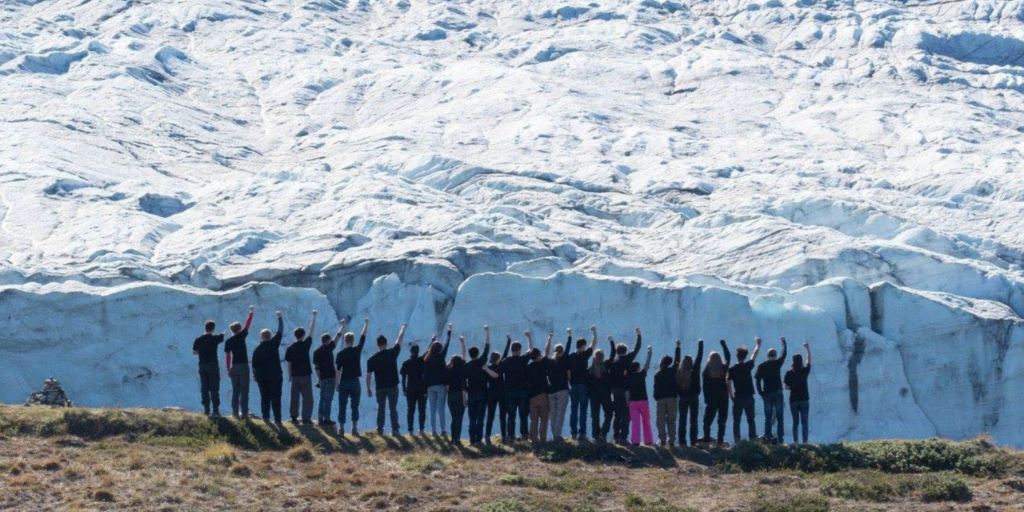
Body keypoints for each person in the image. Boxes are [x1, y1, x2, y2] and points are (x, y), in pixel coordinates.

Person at [366, 323, 406, 436]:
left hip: (380, 387)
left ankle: (380, 429)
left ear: (377, 345)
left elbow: (368, 375)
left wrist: (368, 388)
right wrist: (402, 329)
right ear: (386, 343)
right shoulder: (392, 353)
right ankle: (395, 430)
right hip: (393, 385)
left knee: (380, 408)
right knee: (393, 408)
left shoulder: (372, 359)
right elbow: (399, 341)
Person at [334, 318, 369, 435]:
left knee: (342, 406)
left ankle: (342, 429)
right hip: (355, 382)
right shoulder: (356, 350)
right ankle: (354, 429)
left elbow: (338, 370)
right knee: (355, 406)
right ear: (353, 341)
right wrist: (366, 324)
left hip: (344, 382)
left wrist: (336, 384)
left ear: (344, 340)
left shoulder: (340, 354)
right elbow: (363, 338)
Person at [609, 328, 642, 444]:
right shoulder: (628, 359)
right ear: (625, 351)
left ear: (617, 352)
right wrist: (638, 335)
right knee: (626, 414)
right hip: (626, 390)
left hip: (615, 391)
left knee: (616, 414)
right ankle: (624, 437)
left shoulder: (613, 363)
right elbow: (637, 348)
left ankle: (615, 437)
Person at [284, 310, 318, 425]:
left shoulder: (289, 348)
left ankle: (293, 417)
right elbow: (311, 331)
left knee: (294, 397)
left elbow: (289, 363)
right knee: (307, 397)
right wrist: (314, 317)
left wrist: (289, 374)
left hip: (295, 375)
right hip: (305, 375)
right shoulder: (305, 345)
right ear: (303, 335)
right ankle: (306, 418)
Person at [464, 326, 496, 445]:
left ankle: (472, 440)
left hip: (471, 394)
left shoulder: (466, 366)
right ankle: (479, 439)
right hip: (482, 393)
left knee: (472, 419)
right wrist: (487, 332)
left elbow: (464, 382)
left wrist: (464, 397)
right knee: (481, 418)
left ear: (470, 354)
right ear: (477, 354)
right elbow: (487, 347)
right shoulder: (481, 361)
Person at [727, 338, 762, 445]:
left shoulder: (732, 369)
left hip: (738, 397)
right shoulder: (748, 366)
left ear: (737, 356)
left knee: (736, 420)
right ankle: (753, 438)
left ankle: (737, 440)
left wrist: (731, 395)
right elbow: (754, 355)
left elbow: (728, 382)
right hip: (749, 397)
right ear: (745, 356)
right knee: (751, 419)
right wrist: (758, 345)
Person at [251, 311, 284, 424]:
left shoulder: (257, 350)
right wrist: (280, 318)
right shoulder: (273, 344)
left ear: (261, 337)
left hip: (262, 376)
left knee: (264, 396)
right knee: (276, 397)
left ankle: (265, 417)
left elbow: (254, 365)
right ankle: (277, 419)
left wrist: (255, 375)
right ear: (270, 336)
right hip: (275, 375)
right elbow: (280, 331)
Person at [566, 326, 597, 440]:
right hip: (583, 385)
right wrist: (594, 331)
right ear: (583, 346)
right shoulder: (585, 355)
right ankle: (582, 433)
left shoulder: (570, 357)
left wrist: (570, 383)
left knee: (573, 409)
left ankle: (573, 433)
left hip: (573, 385)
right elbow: (594, 343)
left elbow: (568, 372)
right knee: (583, 410)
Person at [223, 306, 255, 419]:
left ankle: (235, 412)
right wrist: (251, 312)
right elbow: (248, 324)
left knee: (235, 390)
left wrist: (228, 369)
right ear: (239, 329)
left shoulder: (228, 341)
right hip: (244, 366)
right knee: (244, 390)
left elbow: (228, 356)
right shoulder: (242, 336)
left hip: (234, 367)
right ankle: (245, 413)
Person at [755, 337, 788, 444]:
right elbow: (784, 354)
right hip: (778, 392)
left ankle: (768, 438)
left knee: (767, 418)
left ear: (768, 356)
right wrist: (784, 342)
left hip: (767, 393)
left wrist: (760, 392)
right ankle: (780, 439)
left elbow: (757, 380)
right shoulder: (777, 363)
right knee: (780, 418)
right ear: (775, 355)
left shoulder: (762, 366)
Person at [499, 334, 530, 442]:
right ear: (519, 350)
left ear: (512, 350)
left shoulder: (506, 361)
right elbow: (531, 351)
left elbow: (500, 369)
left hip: (509, 392)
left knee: (511, 416)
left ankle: (511, 436)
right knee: (523, 416)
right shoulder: (522, 360)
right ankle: (524, 435)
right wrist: (529, 338)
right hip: (522, 391)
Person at [193, 315, 227, 416]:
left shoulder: (198, 339)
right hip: (213, 365)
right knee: (214, 388)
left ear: (205, 328)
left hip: (202, 365)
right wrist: (223, 333)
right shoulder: (215, 339)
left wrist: (203, 352)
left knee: (204, 387)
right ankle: (215, 410)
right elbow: (221, 337)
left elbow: (194, 352)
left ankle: (206, 409)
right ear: (213, 329)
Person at [313, 320, 344, 427]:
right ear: (328, 340)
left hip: (322, 378)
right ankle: (327, 419)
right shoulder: (329, 348)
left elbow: (316, 367)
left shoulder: (316, 352)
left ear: (322, 341)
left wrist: (319, 378)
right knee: (328, 399)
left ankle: (320, 418)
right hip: (331, 377)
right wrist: (342, 327)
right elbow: (337, 338)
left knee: (322, 397)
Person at [423, 325, 453, 437]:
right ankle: (443, 430)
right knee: (441, 408)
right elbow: (447, 345)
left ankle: (434, 431)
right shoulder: (441, 357)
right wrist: (449, 331)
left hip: (430, 386)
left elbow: (425, 375)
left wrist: (432, 341)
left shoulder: (427, 359)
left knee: (432, 409)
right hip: (441, 385)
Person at [675, 339, 704, 446]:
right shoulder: (695, 370)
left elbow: (677, 361)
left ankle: (682, 442)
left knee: (682, 420)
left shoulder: (679, 372)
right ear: (691, 363)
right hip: (694, 397)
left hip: (682, 398)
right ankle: (693, 441)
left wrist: (678, 347)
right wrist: (700, 343)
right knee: (693, 421)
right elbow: (699, 357)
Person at [702, 340, 731, 446]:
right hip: (723, 398)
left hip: (711, 399)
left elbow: (704, 387)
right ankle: (719, 441)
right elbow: (728, 357)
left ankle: (706, 440)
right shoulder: (723, 368)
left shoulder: (707, 371)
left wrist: (706, 399)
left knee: (707, 421)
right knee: (721, 421)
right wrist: (724, 344)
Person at [525, 331, 553, 443]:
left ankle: (533, 440)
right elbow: (547, 350)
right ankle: (543, 439)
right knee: (544, 419)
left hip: (531, 397)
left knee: (533, 420)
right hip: (542, 395)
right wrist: (549, 339)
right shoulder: (542, 363)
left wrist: (529, 338)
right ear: (538, 356)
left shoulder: (528, 367)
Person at [654, 341, 681, 446]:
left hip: (660, 399)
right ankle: (672, 440)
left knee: (660, 420)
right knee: (672, 419)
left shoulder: (658, 374)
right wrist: (678, 347)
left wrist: (656, 397)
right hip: (671, 397)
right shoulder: (673, 371)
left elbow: (656, 388)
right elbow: (677, 360)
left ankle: (662, 439)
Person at [784, 343, 812, 444]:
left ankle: (796, 441)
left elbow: (786, 387)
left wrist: (792, 387)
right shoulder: (804, 371)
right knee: (804, 422)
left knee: (795, 422)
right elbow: (809, 360)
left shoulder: (789, 373)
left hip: (794, 400)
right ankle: (805, 441)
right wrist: (808, 349)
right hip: (804, 399)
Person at [626, 346, 654, 446]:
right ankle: (648, 441)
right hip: (643, 401)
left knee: (635, 423)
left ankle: (635, 441)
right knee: (646, 421)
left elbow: (627, 393)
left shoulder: (628, 378)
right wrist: (650, 353)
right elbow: (647, 364)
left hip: (632, 403)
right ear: (638, 368)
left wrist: (628, 402)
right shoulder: (641, 375)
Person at [588, 342, 615, 443]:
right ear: (603, 357)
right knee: (609, 413)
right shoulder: (606, 365)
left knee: (595, 416)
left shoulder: (590, 370)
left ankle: (595, 436)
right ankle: (603, 433)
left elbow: (588, 384)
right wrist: (611, 341)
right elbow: (613, 354)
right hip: (605, 395)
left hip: (594, 396)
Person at [546, 335, 571, 441]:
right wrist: (569, 336)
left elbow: (546, 352)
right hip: (562, 389)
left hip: (551, 390)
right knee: (560, 412)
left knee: (553, 413)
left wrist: (549, 339)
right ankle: (557, 435)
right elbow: (568, 348)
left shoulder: (549, 361)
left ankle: (554, 434)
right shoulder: (564, 359)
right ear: (562, 351)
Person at [446, 335, 469, 443]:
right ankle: (457, 439)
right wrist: (463, 343)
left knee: (453, 418)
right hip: (460, 395)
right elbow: (464, 355)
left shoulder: (449, 370)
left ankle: (453, 438)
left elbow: (446, 386)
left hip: (450, 396)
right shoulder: (463, 369)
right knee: (459, 418)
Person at [400, 343, 427, 435]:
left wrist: (404, 390)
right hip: (421, 389)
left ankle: (410, 430)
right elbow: (425, 377)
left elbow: (403, 378)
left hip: (410, 389)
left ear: (411, 352)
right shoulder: (422, 362)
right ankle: (421, 430)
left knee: (410, 410)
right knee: (422, 410)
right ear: (418, 352)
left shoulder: (406, 363)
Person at [483, 348, 505, 445]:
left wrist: (508, 342)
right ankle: (489, 436)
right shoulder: (497, 367)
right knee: (496, 416)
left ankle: (502, 435)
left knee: (497, 415)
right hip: (497, 393)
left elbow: (494, 375)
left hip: (493, 393)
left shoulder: (488, 368)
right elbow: (495, 375)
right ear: (497, 359)